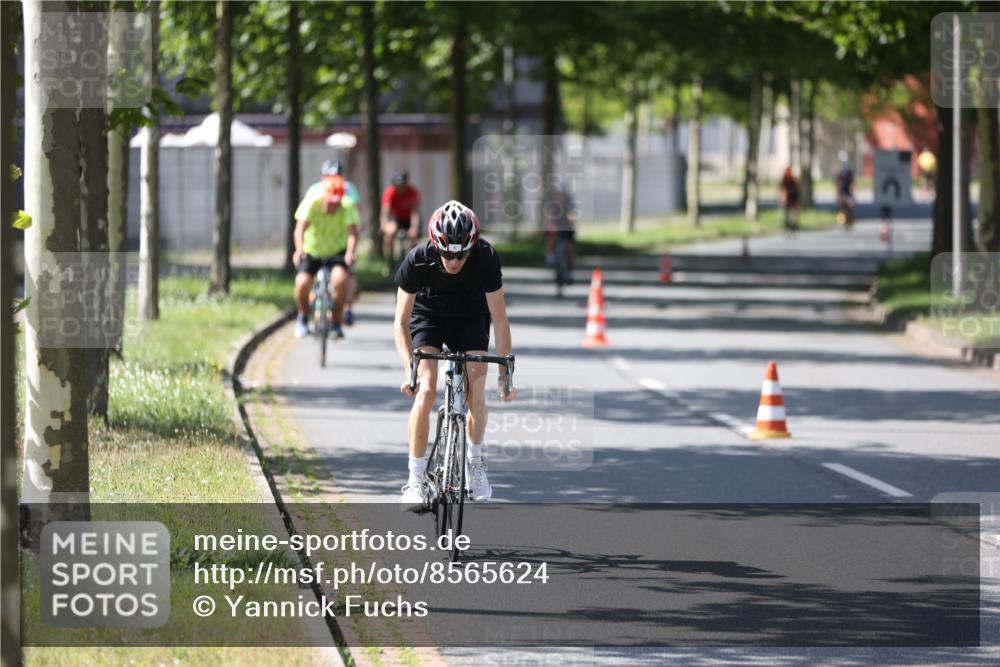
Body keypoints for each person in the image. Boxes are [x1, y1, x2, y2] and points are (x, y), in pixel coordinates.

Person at [393, 200, 517, 511]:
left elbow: (500, 319)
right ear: (436, 246)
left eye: (461, 254)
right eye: (447, 253)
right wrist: (409, 369)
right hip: (428, 318)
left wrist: (505, 374)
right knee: (426, 389)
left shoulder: (486, 257)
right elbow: (400, 322)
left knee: (477, 386)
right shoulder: (418, 259)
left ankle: (475, 463)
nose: (454, 260)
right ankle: (416, 479)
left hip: (470, 318)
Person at [292, 172, 360, 339]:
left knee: (341, 280)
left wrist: (350, 252)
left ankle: (337, 322)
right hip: (312, 251)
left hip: (336, 252)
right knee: (302, 283)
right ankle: (303, 316)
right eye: (330, 203)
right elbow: (299, 229)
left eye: (336, 203)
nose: (333, 207)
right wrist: (299, 249)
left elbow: (352, 233)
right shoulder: (311, 203)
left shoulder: (347, 205)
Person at [305, 160, 362, 325]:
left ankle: (347, 306)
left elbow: (356, 215)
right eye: (329, 176)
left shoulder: (349, 189)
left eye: (336, 176)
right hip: (320, 240)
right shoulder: (314, 190)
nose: (332, 179)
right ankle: (312, 299)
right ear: (322, 176)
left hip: (342, 238)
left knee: (349, 273)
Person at [381, 170, 421, 262]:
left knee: (413, 238)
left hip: (409, 219)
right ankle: (390, 262)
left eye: (402, 184)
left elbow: (415, 212)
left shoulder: (412, 192)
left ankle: (413, 262)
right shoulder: (390, 192)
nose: (400, 187)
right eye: (397, 184)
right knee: (389, 236)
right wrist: (384, 224)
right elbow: (385, 211)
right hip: (396, 219)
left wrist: (414, 228)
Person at [543, 181, 578, 279]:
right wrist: (550, 225)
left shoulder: (569, 202)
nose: (560, 196)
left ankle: (570, 269)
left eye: (562, 194)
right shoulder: (553, 203)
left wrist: (572, 219)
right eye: (559, 194)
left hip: (566, 227)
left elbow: (573, 214)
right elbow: (549, 215)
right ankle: (550, 257)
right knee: (551, 237)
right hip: (556, 226)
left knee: (569, 248)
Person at [835, 151, 855, 229]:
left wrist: (853, 193)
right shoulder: (838, 172)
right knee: (841, 207)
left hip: (848, 192)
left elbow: (852, 183)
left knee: (851, 206)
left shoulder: (849, 172)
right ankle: (842, 220)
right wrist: (838, 194)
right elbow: (837, 184)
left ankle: (851, 221)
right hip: (842, 193)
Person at [779, 166, 801, 232]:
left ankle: (792, 224)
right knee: (790, 213)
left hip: (791, 199)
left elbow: (782, 190)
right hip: (789, 199)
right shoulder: (789, 179)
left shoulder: (790, 180)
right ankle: (791, 224)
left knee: (791, 213)